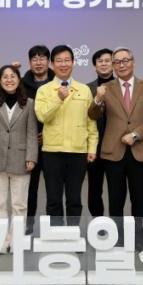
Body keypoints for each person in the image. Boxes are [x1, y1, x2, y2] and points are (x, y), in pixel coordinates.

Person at [88, 47, 143, 249]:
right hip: (113, 151)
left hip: (139, 150)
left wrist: (135, 135)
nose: (121, 65)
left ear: (133, 62)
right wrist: (97, 99)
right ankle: (116, 237)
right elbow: (93, 115)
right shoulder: (105, 88)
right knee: (115, 199)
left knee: (138, 198)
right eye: (117, 62)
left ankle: (138, 238)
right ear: (113, 66)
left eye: (125, 60)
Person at [0, 65, 38, 252]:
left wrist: (31, 156)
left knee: (19, 204)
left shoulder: (29, 103)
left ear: (19, 79)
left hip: (21, 158)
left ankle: (16, 240)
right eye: (5, 77)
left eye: (13, 76)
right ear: (0, 81)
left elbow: (31, 132)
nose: (9, 80)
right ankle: (2, 241)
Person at [35, 44, 98, 222]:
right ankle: (55, 234)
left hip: (78, 152)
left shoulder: (84, 89)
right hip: (52, 152)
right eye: (59, 61)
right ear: (52, 64)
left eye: (67, 60)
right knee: (53, 199)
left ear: (73, 63)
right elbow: (42, 116)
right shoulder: (44, 90)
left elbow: (91, 122)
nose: (63, 64)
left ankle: (73, 233)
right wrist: (58, 99)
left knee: (74, 199)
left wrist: (92, 148)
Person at [21, 45, 55, 232]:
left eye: (42, 58)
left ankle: (53, 227)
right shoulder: (21, 84)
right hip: (29, 143)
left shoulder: (58, 83)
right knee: (29, 188)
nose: (39, 62)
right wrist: (32, 136)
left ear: (48, 62)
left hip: (53, 143)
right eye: (35, 58)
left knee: (53, 188)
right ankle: (28, 225)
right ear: (30, 62)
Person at [86, 48, 114, 217]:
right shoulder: (87, 88)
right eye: (100, 61)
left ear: (114, 64)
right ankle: (98, 222)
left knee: (116, 189)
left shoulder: (121, 87)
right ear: (95, 66)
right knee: (94, 188)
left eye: (107, 61)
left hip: (116, 146)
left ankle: (116, 223)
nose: (103, 64)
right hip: (94, 147)